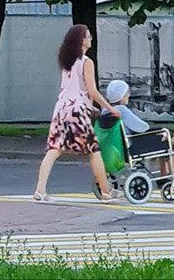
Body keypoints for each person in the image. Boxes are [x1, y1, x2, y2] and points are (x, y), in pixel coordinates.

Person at [34, 25, 121, 203]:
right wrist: (110, 108)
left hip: (61, 108)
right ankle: (106, 192)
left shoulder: (67, 61)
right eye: (88, 36)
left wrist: (92, 109)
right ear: (82, 40)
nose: (91, 39)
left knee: (54, 149)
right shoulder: (86, 62)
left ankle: (40, 190)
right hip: (77, 111)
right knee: (93, 150)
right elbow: (92, 91)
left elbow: (72, 90)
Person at [105, 79, 174, 176]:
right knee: (169, 137)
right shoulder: (121, 110)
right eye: (127, 92)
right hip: (132, 145)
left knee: (163, 135)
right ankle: (171, 174)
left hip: (118, 145)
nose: (128, 95)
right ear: (121, 95)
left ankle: (166, 174)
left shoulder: (105, 111)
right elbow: (142, 127)